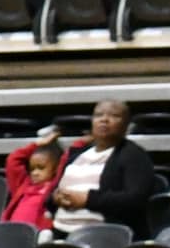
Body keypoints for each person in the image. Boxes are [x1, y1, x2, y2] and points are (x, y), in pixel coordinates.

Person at [49, 100, 152, 237]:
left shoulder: (134, 155)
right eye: (98, 115)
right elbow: (53, 192)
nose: (104, 120)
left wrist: (88, 199)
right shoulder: (76, 154)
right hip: (60, 231)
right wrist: (56, 197)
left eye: (114, 116)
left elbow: (135, 199)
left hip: (104, 236)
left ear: (127, 125)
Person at [3, 134, 64, 232]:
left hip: (35, 237)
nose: (35, 173)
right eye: (32, 169)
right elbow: (13, 160)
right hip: (11, 233)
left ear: (55, 168)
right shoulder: (23, 185)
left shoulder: (55, 188)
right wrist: (36, 145)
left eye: (41, 168)